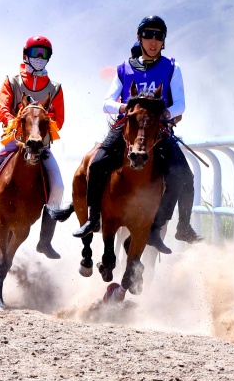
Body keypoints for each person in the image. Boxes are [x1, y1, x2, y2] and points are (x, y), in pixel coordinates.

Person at [73, 15, 202, 254]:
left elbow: (180, 105)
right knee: (98, 164)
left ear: (164, 41)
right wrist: (125, 109)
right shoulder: (124, 68)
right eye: (148, 35)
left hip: (158, 130)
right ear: (139, 38)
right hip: (127, 128)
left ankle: (175, 226)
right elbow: (106, 103)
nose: (153, 41)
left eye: (159, 36)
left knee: (184, 176)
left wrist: (162, 116)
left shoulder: (173, 67)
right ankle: (93, 219)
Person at [0, 35, 65, 259]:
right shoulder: (13, 81)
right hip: (11, 142)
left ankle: (45, 241)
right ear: (26, 55)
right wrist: (11, 120)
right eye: (35, 53)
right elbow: (0, 106)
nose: (39, 58)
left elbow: (59, 119)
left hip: (41, 147)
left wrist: (41, 121)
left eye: (44, 55)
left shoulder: (55, 88)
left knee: (59, 187)